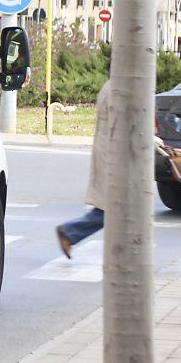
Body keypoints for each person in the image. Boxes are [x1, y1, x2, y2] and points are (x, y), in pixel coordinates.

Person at [56, 80, 112, 258]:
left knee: (111, 206)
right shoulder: (118, 89)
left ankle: (70, 232)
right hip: (112, 153)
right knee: (116, 207)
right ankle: (70, 231)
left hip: (108, 150)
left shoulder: (110, 86)